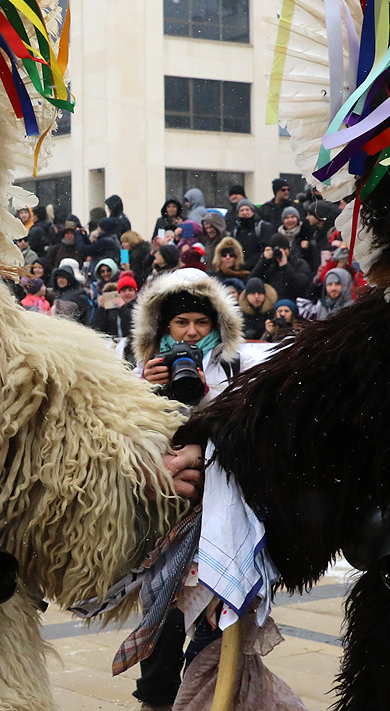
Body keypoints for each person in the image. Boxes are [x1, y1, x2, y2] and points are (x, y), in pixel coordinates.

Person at [129, 268, 273, 710]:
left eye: (201, 322)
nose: (191, 333)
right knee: (162, 622)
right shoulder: (144, 372)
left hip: (225, 515)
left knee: (217, 623)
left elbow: (260, 428)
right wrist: (142, 391)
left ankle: (205, 699)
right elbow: (127, 441)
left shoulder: (240, 364)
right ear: (163, 328)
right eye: (180, 323)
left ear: (216, 325)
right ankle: (157, 701)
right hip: (166, 517)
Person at [89, 273, 139, 358]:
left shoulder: (138, 307)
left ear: (135, 292)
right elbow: (96, 328)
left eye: (130, 290)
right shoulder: (111, 309)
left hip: (132, 349)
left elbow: (133, 322)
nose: (127, 293)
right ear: (118, 293)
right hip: (113, 348)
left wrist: (123, 308)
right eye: (124, 290)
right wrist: (101, 309)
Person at [253, 234, 311, 300]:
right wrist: (263, 261)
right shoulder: (268, 264)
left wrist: (285, 266)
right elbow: (252, 282)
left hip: (291, 304)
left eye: (284, 248)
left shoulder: (299, 263)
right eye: (277, 249)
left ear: (289, 249)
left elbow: (301, 287)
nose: (281, 251)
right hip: (270, 304)